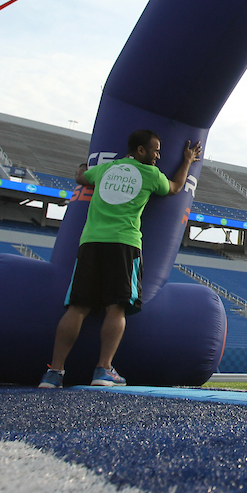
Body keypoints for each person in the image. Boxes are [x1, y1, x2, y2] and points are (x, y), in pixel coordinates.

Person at [38, 130, 201, 389]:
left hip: (91, 242)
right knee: (117, 308)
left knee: (77, 307)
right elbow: (176, 187)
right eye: (155, 150)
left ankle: (54, 372)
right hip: (124, 244)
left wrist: (83, 164)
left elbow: (81, 176)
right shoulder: (149, 174)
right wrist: (188, 161)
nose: (159, 155)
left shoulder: (105, 170)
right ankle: (103, 370)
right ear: (140, 151)